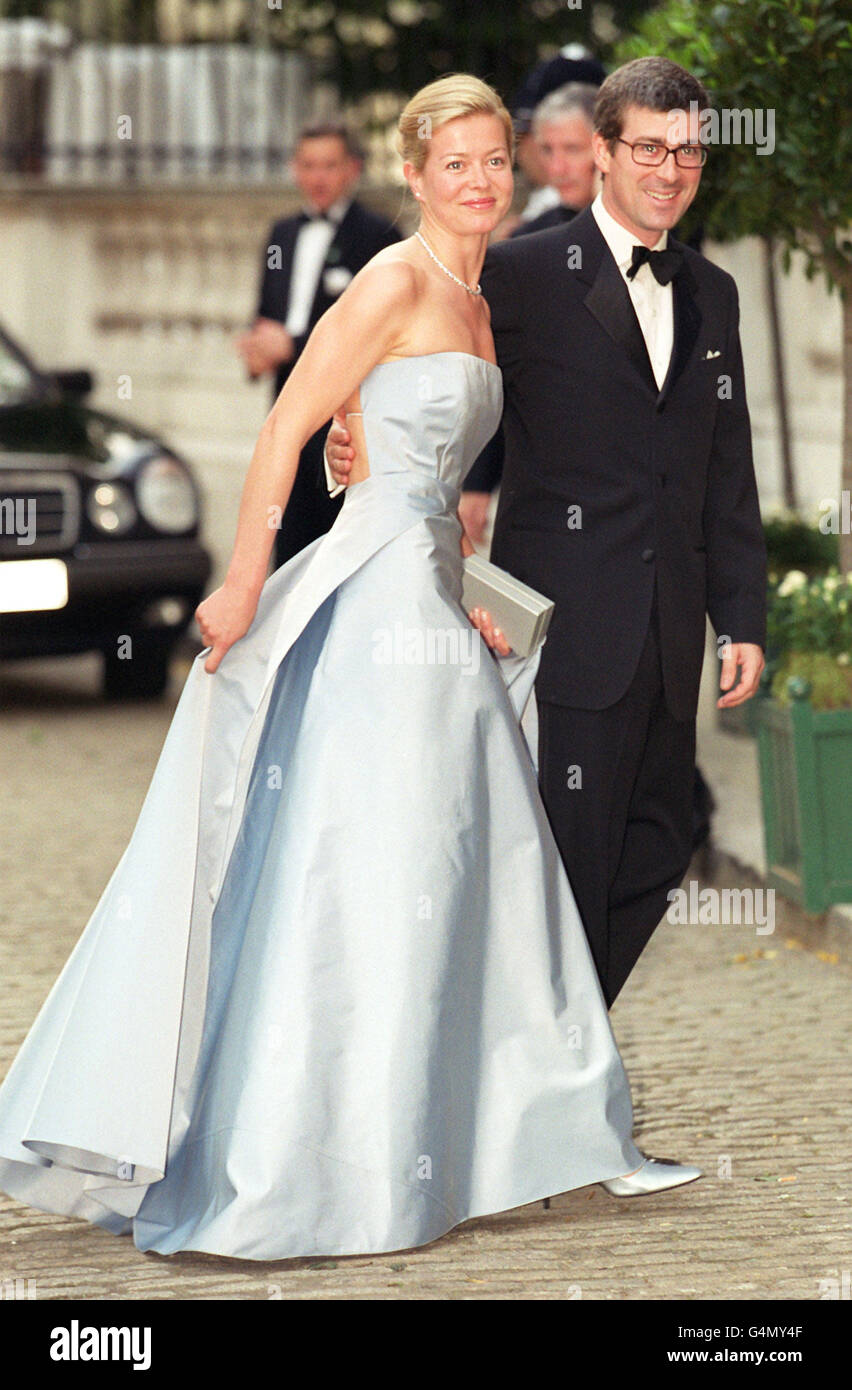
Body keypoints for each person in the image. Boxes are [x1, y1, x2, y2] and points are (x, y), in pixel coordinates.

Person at [0, 75, 701, 1266]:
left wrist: (475, 574)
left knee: (478, 859)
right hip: (375, 597)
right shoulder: (390, 281)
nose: (481, 181)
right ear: (415, 175)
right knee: (383, 858)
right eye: (458, 164)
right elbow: (288, 427)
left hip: (438, 586)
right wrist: (238, 576)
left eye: (497, 161)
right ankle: (321, 1155)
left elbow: (449, 459)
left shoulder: (495, 291)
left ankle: (528, 1130)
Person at [325, 57, 768, 1016]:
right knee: (562, 862)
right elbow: (429, 363)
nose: (670, 169)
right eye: (648, 147)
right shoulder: (522, 270)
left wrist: (743, 616)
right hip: (560, 633)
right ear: (601, 153)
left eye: (688, 152)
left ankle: (562, 1057)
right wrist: (353, 424)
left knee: (658, 844)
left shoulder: (716, 292)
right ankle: (552, 1078)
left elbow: (725, 472)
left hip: (669, 632)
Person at [235, 122, 401, 569]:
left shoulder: (379, 235)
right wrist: (256, 351)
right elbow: (267, 311)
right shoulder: (283, 233)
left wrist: (291, 345)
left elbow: (374, 332)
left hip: (344, 419)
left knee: (338, 548)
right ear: (294, 170)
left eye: (329, 165)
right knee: (286, 545)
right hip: (287, 411)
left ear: (353, 169)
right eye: (308, 166)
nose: (318, 177)